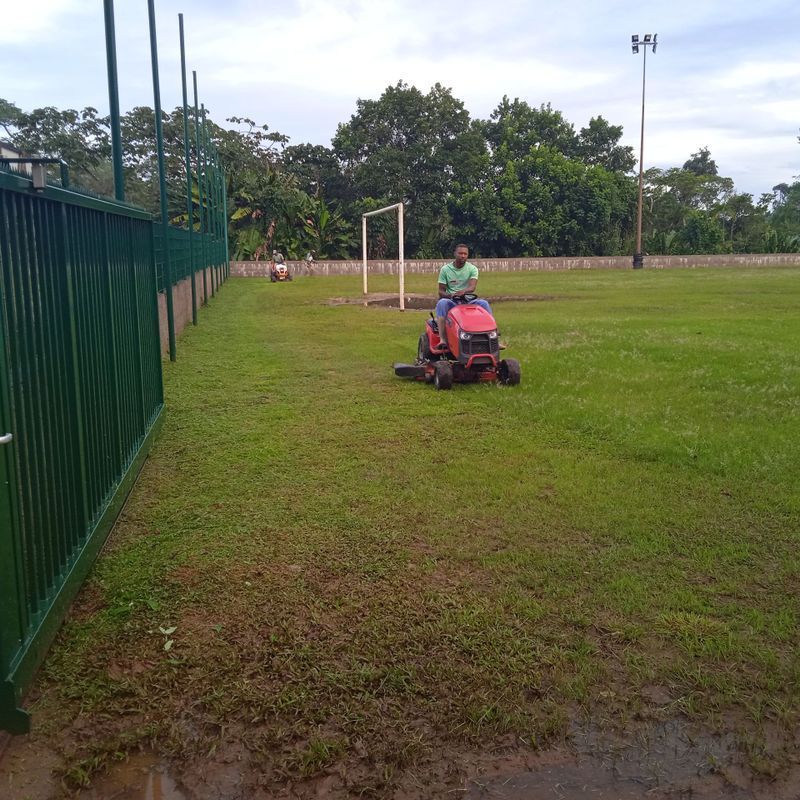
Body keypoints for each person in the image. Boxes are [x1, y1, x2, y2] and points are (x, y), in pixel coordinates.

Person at [435, 244, 492, 351]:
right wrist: (451, 295)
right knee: (442, 303)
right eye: (460, 253)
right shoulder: (445, 270)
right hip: (452, 301)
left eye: (465, 254)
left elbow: (472, 287)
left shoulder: (472, 269)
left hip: (468, 301)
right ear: (455, 254)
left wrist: (463, 292)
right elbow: (441, 291)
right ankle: (443, 339)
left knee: (484, 304)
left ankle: (492, 337)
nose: (463, 256)